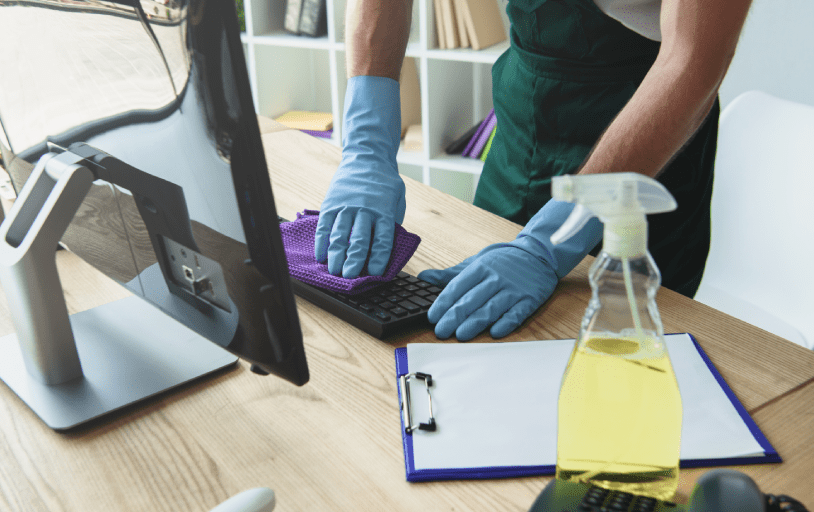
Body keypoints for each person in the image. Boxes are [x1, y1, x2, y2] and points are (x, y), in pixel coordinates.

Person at [314, 0, 753, 341]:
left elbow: (692, 62)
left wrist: (551, 241)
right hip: (523, 124)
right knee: (474, 334)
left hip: (643, 149)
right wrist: (367, 145)